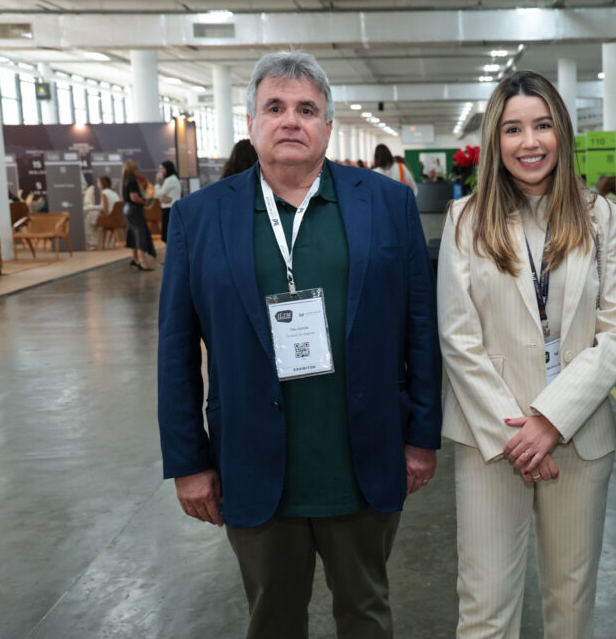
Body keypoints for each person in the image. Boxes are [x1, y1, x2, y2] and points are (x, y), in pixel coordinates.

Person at [157, 50, 441, 639]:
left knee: (366, 614)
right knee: (272, 620)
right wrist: (189, 462)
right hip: (253, 465)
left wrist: (420, 436)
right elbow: (176, 350)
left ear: (328, 126)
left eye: (307, 108)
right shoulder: (198, 218)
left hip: (362, 460)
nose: (291, 120)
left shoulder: (385, 205)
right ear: (252, 124)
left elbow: (421, 324)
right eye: (275, 107)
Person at [437, 70, 616, 639]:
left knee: (571, 607)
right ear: (495, 141)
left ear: (562, 132)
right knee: (485, 609)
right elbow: (459, 338)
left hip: (578, 436)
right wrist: (519, 435)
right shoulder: (465, 222)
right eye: (513, 129)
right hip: (491, 442)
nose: (530, 142)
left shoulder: (602, 220)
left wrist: (549, 421)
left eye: (543, 125)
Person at [121, 161, 156, 270]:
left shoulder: (125, 181)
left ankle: (134, 258)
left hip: (128, 209)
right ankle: (142, 262)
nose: (139, 171)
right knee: (140, 234)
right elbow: (134, 197)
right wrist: (144, 202)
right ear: (133, 170)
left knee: (132, 233)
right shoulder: (132, 181)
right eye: (137, 169)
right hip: (135, 210)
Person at [155, 160, 182, 241]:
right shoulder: (172, 179)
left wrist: (157, 183)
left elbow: (159, 194)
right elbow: (162, 196)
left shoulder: (170, 180)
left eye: (162, 169)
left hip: (169, 209)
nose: (160, 171)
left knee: (167, 234)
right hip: (170, 207)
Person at [82, 177, 102, 250]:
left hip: (105, 217)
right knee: (89, 218)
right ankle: (92, 243)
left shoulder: (104, 193)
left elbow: (104, 209)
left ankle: (92, 243)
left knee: (89, 219)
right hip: (105, 215)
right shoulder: (91, 190)